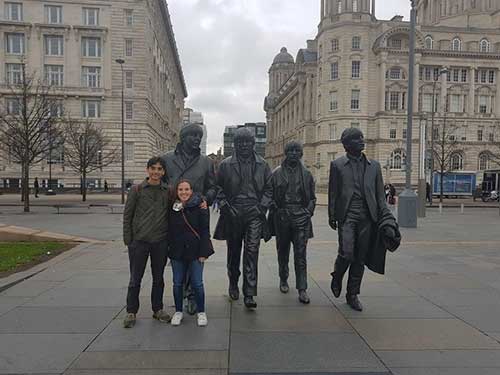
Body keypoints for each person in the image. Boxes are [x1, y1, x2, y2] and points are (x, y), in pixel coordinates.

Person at [328, 128, 399, 311]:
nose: (362, 140)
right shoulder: (337, 165)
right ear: (347, 144)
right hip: (347, 215)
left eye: (361, 137)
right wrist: (332, 214)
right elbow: (333, 193)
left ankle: (352, 294)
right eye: (357, 138)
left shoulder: (374, 166)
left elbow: (379, 197)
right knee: (346, 252)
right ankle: (337, 275)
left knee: (360, 258)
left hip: (367, 217)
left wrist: (387, 220)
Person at [214, 127, 273, 309]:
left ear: (253, 143)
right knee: (233, 252)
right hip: (233, 212)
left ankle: (249, 292)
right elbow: (218, 188)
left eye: (248, 142)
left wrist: (261, 207)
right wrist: (225, 207)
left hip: (254, 212)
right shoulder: (225, 165)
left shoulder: (263, 164)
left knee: (252, 251)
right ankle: (233, 282)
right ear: (235, 144)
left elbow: (270, 189)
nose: (244, 145)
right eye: (240, 142)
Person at [162, 123, 217, 315]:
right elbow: (160, 185)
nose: (197, 139)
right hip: (174, 215)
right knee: (178, 253)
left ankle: (192, 295)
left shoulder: (206, 162)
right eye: (193, 135)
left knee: (195, 254)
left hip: (197, 214)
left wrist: (206, 199)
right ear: (183, 137)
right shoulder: (166, 159)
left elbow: (213, 187)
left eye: (199, 136)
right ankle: (182, 293)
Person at [122, 157, 171, 328]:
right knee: (136, 278)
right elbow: (127, 216)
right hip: (139, 242)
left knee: (159, 278)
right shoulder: (136, 190)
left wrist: (199, 203)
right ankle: (131, 311)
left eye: (159, 169)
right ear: (147, 170)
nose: (156, 172)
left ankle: (157, 309)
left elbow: (179, 207)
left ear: (163, 172)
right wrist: (129, 240)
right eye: (153, 168)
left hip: (160, 242)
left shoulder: (168, 191)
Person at [268, 141, 316, 304]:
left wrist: (308, 212)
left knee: (301, 254)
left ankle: (302, 288)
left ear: (301, 153)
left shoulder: (307, 174)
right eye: (291, 150)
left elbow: (312, 198)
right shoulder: (276, 173)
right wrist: (276, 208)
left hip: (301, 217)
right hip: (282, 217)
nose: (294, 153)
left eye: (297, 151)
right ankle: (283, 278)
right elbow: (270, 195)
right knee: (283, 251)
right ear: (285, 153)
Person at [168, 179, 213, 326]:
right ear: (177, 191)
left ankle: (201, 312)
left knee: (197, 283)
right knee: (177, 283)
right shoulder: (172, 206)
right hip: (177, 251)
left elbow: (205, 231)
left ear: (191, 191)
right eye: (180, 189)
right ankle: (178, 311)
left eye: (187, 189)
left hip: (195, 251)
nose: (184, 192)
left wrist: (203, 252)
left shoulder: (200, 206)